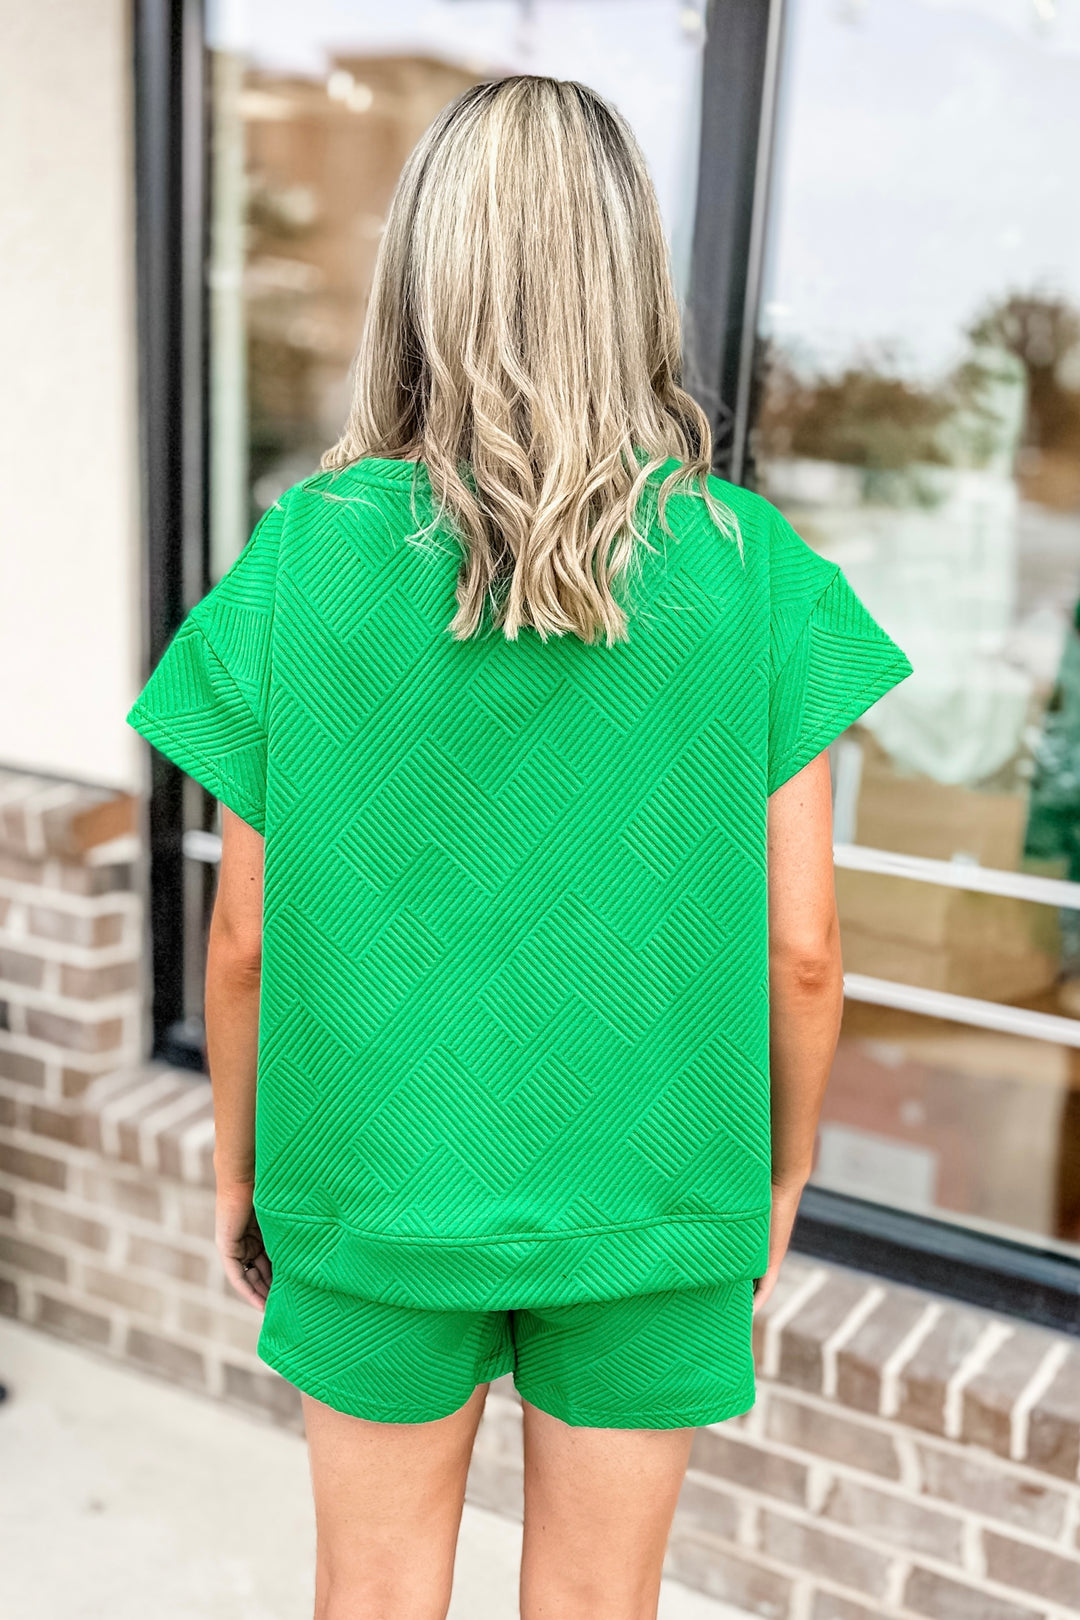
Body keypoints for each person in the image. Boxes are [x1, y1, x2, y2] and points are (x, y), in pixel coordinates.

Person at [127, 75, 911, 1620]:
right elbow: (805, 954)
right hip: (656, 1202)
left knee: (371, 1598)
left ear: (422, 277)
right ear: (632, 285)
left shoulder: (302, 559)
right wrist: (781, 1174)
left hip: (368, 1190)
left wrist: (239, 1173)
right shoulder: (758, 574)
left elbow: (244, 939)